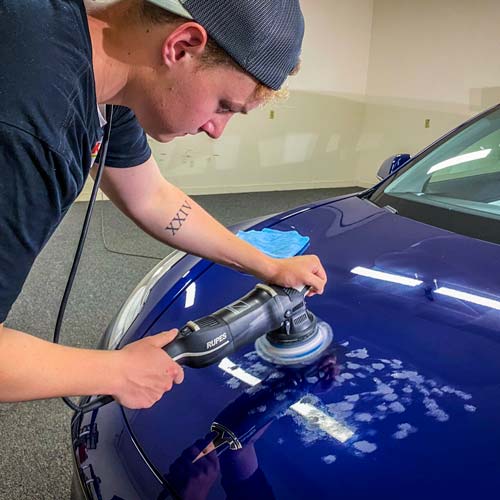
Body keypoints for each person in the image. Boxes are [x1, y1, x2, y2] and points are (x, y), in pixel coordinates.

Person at [0, 0, 327, 410]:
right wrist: (116, 372)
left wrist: (269, 265)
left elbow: (150, 196)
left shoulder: (99, 77)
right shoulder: (30, 127)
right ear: (183, 45)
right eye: (224, 106)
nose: (216, 131)